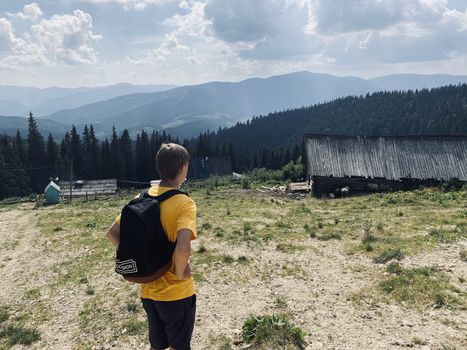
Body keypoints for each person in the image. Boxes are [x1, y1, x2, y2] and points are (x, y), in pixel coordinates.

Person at [106, 143, 197, 350]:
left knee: (157, 345)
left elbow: (111, 233)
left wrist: (139, 255)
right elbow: (183, 247)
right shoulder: (184, 203)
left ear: (159, 168)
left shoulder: (142, 197)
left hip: (148, 290)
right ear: (183, 167)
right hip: (176, 293)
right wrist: (180, 271)